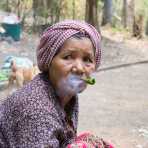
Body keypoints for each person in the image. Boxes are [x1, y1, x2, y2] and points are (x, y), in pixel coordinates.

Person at [0, 20, 113, 148]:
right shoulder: (36, 109)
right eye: (68, 57)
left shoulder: (68, 97)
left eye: (87, 59)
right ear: (49, 61)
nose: (80, 68)